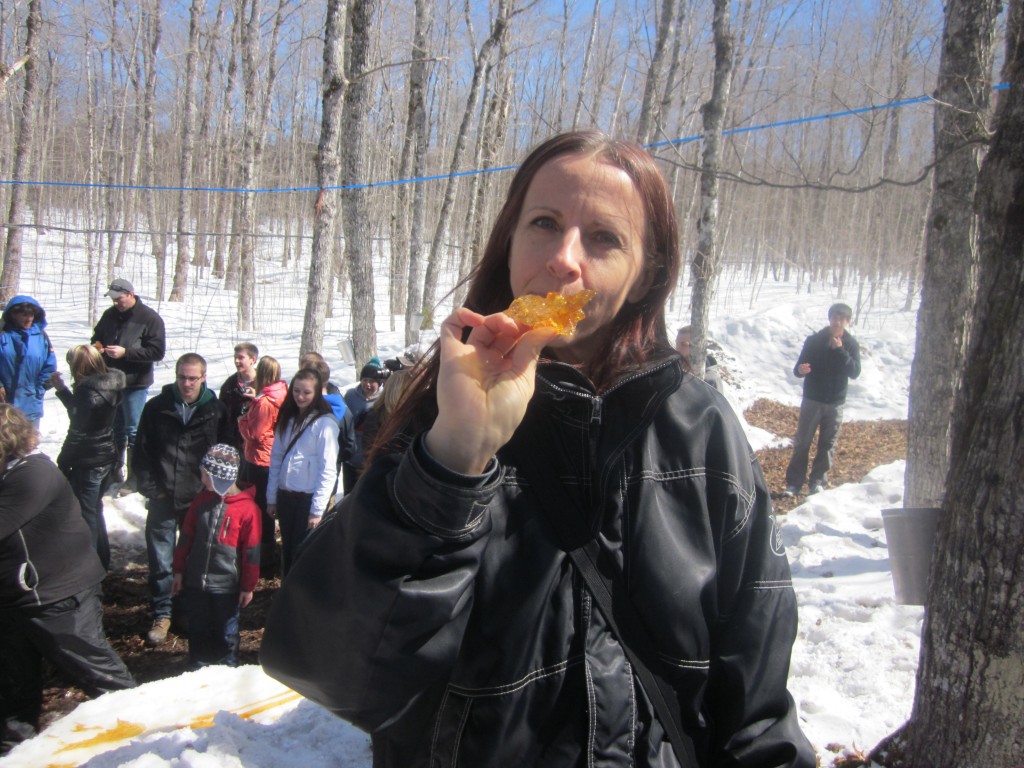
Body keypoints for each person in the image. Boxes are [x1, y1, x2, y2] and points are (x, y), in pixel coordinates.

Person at [261, 131, 814, 767]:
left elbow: (757, 701)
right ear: (510, 242)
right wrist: (453, 458)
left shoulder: (702, 429)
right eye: (544, 223)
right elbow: (335, 671)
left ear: (644, 277)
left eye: (604, 238)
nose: (564, 260)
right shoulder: (436, 405)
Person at [0, 405, 135, 754]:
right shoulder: (9, 472)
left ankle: (145, 736)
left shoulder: (33, 475)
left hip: (59, 597)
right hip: (17, 600)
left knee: (100, 677)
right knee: (15, 688)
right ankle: (14, 753)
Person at [133, 353, 228, 647]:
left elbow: (227, 453)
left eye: (192, 378)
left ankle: (187, 610)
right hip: (163, 495)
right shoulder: (156, 408)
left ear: (203, 378)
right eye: (182, 377)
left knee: (194, 559)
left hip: (198, 499)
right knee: (161, 560)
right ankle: (162, 613)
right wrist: (151, 489)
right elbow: (140, 451)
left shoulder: (215, 410)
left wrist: (215, 490)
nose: (186, 384)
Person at [172, 444, 260, 668]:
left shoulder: (248, 510)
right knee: (198, 627)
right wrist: (179, 569)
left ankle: (227, 668)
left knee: (226, 631)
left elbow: (251, 553)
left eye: (206, 474)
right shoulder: (201, 502)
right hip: (196, 581)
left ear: (221, 477)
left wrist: (248, 586)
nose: (201, 479)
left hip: (227, 586)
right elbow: (186, 536)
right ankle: (197, 667)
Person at [51, 345, 127, 570]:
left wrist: (63, 462)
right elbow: (81, 413)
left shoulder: (86, 392)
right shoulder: (109, 384)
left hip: (89, 459)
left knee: (86, 514)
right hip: (106, 455)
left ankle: (90, 568)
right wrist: (63, 390)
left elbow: (77, 430)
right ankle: (101, 559)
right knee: (94, 509)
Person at [91, 278, 167, 487]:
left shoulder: (149, 318)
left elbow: (157, 351)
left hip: (135, 382)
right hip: (110, 382)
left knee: (134, 430)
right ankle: (114, 471)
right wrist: (97, 346)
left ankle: (135, 476)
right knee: (114, 428)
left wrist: (127, 353)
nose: (116, 303)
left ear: (131, 295)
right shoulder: (109, 316)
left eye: (119, 299)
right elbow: (96, 336)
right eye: (113, 300)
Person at [783, 302, 861, 497]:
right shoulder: (814, 341)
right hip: (813, 399)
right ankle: (794, 483)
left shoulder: (851, 344)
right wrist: (801, 370)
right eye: (835, 318)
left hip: (835, 402)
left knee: (827, 445)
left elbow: (854, 372)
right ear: (829, 319)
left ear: (847, 322)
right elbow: (798, 368)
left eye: (842, 319)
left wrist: (841, 350)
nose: (837, 322)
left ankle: (818, 482)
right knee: (802, 443)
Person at [266, 368, 338, 577]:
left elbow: (328, 469)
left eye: (306, 392)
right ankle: (285, 591)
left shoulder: (325, 424)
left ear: (316, 393)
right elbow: (276, 459)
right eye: (296, 391)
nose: (300, 396)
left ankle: (301, 598)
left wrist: (317, 510)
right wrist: (272, 497)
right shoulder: (287, 419)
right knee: (288, 548)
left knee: (303, 551)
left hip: (308, 498)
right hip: (286, 495)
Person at [237, 356, 286, 577]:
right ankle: (266, 553)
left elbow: (255, 434)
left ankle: (264, 558)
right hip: (269, 457)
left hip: (259, 459)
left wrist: (243, 420)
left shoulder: (265, 402)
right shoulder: (282, 393)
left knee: (260, 508)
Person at [299, 353, 358, 484]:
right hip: (299, 479)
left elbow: (349, 446)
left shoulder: (339, 408)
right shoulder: (340, 404)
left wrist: (333, 457)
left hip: (323, 479)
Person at [0, 295, 57, 425]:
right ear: (13, 315)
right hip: (4, 402)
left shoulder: (41, 337)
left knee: (28, 442)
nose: (28, 318)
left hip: (31, 402)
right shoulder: (3, 335)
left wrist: (40, 388)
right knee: (5, 443)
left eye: (31, 314)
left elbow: (49, 365)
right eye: (24, 315)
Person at [341, 359, 386, 492]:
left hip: (370, 460)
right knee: (348, 495)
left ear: (379, 382)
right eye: (365, 380)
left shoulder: (383, 399)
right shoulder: (350, 396)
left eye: (372, 381)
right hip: (351, 458)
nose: (368, 384)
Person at [219, 342, 259, 451]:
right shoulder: (229, 385)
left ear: (253, 359)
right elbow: (222, 416)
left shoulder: (264, 383)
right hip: (234, 444)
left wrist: (258, 399)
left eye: (241, 358)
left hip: (258, 444)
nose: (236, 361)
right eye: (235, 357)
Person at [675, 324, 723, 391]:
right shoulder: (676, 374)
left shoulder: (710, 381)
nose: (677, 349)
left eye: (684, 344)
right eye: (677, 344)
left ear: (698, 347)